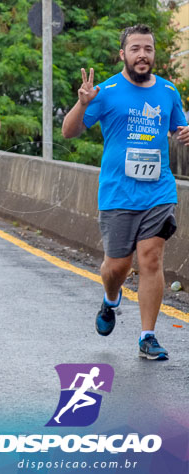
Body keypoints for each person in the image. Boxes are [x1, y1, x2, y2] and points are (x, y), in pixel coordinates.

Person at [61, 24, 189, 361]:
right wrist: (81, 103)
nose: (143, 55)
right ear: (123, 54)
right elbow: (69, 132)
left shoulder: (168, 92)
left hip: (158, 192)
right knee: (116, 267)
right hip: (118, 193)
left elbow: (179, 129)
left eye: (148, 48)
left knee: (151, 258)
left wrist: (186, 133)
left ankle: (147, 336)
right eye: (135, 49)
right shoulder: (106, 91)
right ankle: (111, 298)